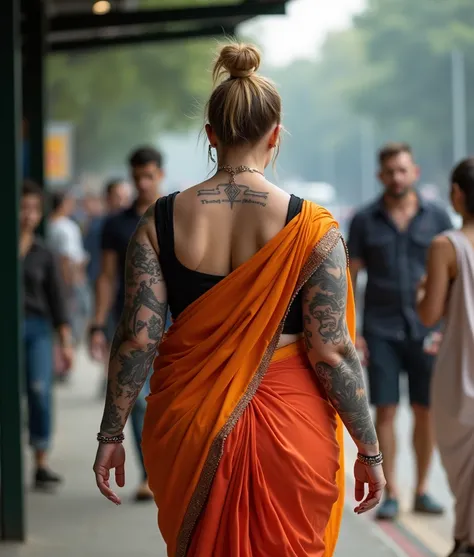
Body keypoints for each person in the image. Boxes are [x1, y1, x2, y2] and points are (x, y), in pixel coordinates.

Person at [93, 42, 385, 557]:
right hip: (290, 430)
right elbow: (332, 350)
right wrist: (371, 451)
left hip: (190, 423)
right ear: (275, 135)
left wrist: (111, 434)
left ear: (210, 135)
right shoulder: (313, 230)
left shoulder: (159, 222)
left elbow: (139, 335)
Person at [347, 142, 452, 520]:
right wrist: (353, 331)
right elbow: (351, 277)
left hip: (428, 328)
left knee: (425, 411)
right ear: (380, 176)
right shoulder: (364, 219)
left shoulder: (437, 216)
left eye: (403, 170)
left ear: (415, 172)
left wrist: (448, 326)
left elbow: (451, 277)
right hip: (381, 329)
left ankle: (422, 489)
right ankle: (389, 492)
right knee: (386, 410)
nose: (397, 177)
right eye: (390, 171)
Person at [89, 147, 165, 501]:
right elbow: (105, 276)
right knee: (138, 400)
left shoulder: (174, 215)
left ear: (160, 174)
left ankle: (175, 465)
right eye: (137, 177)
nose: (143, 183)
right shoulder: (116, 224)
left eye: (149, 176)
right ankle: (151, 472)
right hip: (131, 320)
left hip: (177, 321)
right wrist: (97, 323)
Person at [417, 157, 474, 557]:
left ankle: (466, 540)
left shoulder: (446, 246)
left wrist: (423, 289)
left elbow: (429, 314)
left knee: (464, 471)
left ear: (457, 194)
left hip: (461, 372)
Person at [20, 180, 74, 488]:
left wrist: (65, 343)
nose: (27, 215)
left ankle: (40, 459)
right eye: (22, 208)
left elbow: (58, 300)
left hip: (38, 328)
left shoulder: (45, 253)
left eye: (33, 209)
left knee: (40, 391)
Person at [47, 190, 90, 353]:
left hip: (57, 280)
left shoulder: (49, 225)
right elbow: (66, 259)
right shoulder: (66, 227)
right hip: (71, 280)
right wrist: (71, 282)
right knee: (78, 313)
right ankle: (69, 348)